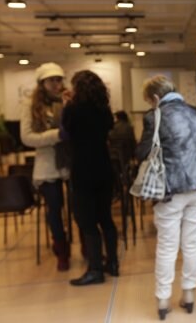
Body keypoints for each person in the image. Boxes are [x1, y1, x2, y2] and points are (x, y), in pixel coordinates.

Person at [135, 75, 196, 320]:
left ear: (156, 98)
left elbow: (142, 151)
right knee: (192, 243)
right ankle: (189, 295)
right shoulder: (195, 112)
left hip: (172, 189)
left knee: (168, 246)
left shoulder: (155, 116)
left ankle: (162, 300)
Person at [62, 70, 119, 286]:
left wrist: (67, 104)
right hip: (104, 168)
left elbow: (66, 132)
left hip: (83, 170)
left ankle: (95, 270)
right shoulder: (104, 110)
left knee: (86, 221)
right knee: (105, 218)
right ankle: (112, 263)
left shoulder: (73, 110)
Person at [20, 62, 71, 271]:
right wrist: (55, 136)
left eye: (59, 79)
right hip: (47, 165)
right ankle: (61, 250)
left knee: (78, 207)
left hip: (69, 162)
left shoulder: (68, 101)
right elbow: (27, 137)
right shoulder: (29, 106)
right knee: (54, 209)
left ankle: (87, 245)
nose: (56, 84)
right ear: (42, 83)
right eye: (51, 80)